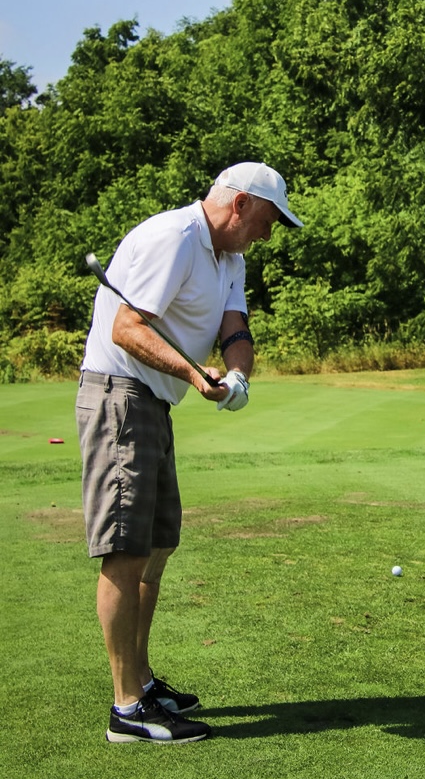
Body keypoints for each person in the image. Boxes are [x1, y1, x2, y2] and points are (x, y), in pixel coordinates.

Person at [76, 162, 303, 744]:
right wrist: (194, 374)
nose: (269, 233)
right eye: (269, 219)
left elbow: (235, 329)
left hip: (153, 403)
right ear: (241, 204)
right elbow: (128, 328)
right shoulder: (173, 238)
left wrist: (237, 376)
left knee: (157, 545)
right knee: (125, 550)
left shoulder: (230, 257)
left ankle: (141, 681)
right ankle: (127, 709)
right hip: (121, 397)